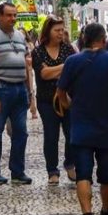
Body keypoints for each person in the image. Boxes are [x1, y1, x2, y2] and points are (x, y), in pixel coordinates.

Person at [57, 23, 108, 215]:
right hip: (106, 127)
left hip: (80, 126)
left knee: (83, 174)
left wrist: (68, 104)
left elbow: (60, 90)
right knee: (107, 175)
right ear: (103, 39)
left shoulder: (72, 61)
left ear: (84, 39)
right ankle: (106, 213)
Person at [0, 2, 36, 185]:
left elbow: (26, 65)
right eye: (9, 15)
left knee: (21, 132)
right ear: (0, 16)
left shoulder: (19, 36)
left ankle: (17, 172)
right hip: (0, 89)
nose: (12, 19)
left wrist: (29, 92)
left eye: (14, 15)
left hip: (19, 90)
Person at [31, 16, 76, 185]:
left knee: (71, 133)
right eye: (56, 30)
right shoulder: (38, 51)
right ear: (48, 31)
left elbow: (73, 70)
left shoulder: (68, 49)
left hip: (68, 98)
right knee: (51, 135)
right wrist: (65, 67)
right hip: (46, 100)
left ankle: (70, 164)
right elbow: (44, 74)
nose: (60, 33)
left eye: (62, 30)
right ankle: (52, 170)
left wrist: (54, 70)